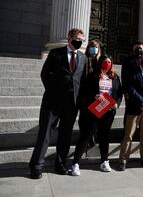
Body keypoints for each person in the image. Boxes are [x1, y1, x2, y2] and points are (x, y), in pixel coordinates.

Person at [28, 28, 86, 179]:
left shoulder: (82, 58)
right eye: (78, 39)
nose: (80, 42)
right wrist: (54, 91)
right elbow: (44, 74)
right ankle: (36, 165)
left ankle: (60, 164)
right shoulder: (55, 53)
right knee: (45, 133)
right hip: (52, 102)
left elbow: (82, 81)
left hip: (71, 104)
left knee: (65, 135)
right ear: (69, 38)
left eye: (82, 40)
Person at [70, 55, 122, 176]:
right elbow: (84, 92)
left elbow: (119, 93)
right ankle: (75, 163)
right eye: (105, 61)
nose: (107, 63)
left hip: (108, 110)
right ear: (100, 63)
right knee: (86, 135)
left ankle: (104, 160)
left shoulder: (115, 77)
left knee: (104, 136)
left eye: (109, 61)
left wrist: (116, 104)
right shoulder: (93, 76)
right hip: (94, 108)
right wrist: (93, 97)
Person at [118, 52, 143, 170]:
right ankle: (123, 160)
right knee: (128, 135)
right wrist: (142, 102)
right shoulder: (132, 72)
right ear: (141, 59)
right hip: (135, 108)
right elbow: (130, 88)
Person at [84, 39, 103, 148]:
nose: (94, 49)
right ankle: (89, 136)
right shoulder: (85, 59)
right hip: (88, 92)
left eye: (95, 47)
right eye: (92, 46)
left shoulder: (100, 61)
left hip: (98, 92)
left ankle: (93, 135)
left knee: (96, 117)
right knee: (88, 116)